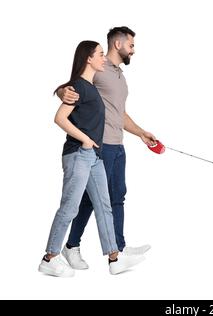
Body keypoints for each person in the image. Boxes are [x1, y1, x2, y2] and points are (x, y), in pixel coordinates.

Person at [39, 41, 145, 277]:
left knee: (105, 206)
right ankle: (50, 257)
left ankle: (114, 258)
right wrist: (85, 140)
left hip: (94, 155)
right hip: (79, 154)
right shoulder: (78, 86)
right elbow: (60, 118)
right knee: (70, 207)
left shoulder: (91, 88)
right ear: (88, 58)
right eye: (99, 54)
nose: (103, 58)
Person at [57, 27, 157, 269]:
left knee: (117, 196)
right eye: (131, 45)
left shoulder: (118, 75)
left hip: (118, 143)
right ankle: (72, 246)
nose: (134, 49)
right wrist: (62, 91)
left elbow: (119, 113)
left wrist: (141, 133)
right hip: (100, 145)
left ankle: (119, 248)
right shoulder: (99, 70)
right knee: (91, 201)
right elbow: (72, 86)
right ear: (118, 45)